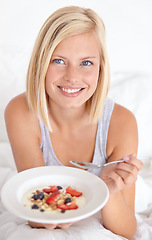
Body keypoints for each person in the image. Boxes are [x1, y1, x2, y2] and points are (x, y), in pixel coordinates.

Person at [5, 6, 143, 239]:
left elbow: (127, 231)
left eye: (86, 63)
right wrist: (52, 216)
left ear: (101, 68)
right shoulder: (21, 112)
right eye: (58, 60)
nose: (72, 77)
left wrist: (108, 190)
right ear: (41, 63)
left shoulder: (121, 123)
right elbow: (36, 213)